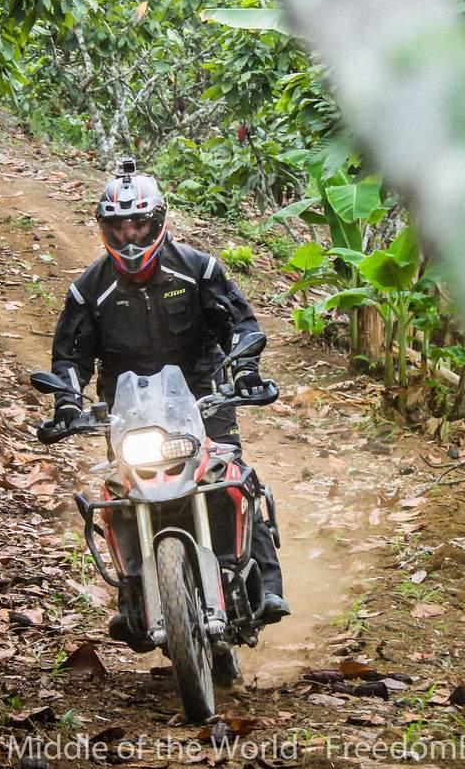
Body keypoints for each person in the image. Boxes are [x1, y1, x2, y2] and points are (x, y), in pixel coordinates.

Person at [44, 158, 289, 647]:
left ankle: (267, 581)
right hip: (127, 408)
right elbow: (69, 356)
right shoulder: (89, 290)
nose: (130, 237)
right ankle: (133, 595)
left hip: (201, 393)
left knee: (233, 471)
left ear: (159, 222)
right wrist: (67, 402)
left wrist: (244, 369)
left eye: (139, 224)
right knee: (119, 493)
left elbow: (240, 325)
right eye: (118, 227)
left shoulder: (198, 269)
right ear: (104, 230)